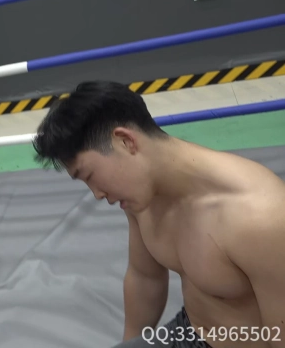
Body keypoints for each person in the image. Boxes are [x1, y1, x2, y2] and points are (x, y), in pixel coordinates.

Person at [32, 81, 285, 348]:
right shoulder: (140, 196)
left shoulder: (261, 217)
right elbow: (145, 277)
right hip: (189, 332)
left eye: (89, 176)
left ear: (125, 141)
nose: (96, 194)